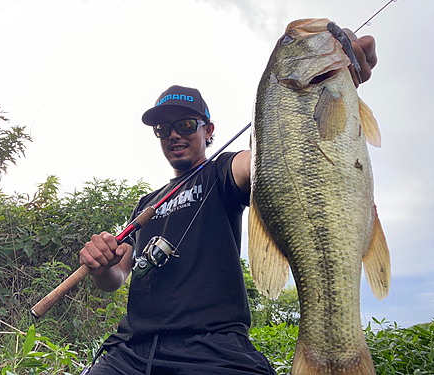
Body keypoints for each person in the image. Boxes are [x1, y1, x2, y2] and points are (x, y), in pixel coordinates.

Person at [79, 35, 377, 375]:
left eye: (187, 124)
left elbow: (270, 163)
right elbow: (117, 276)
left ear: (209, 131)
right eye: (164, 129)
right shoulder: (145, 205)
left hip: (215, 349)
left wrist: (321, 92)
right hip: (130, 353)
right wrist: (102, 267)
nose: (174, 134)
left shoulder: (223, 172)